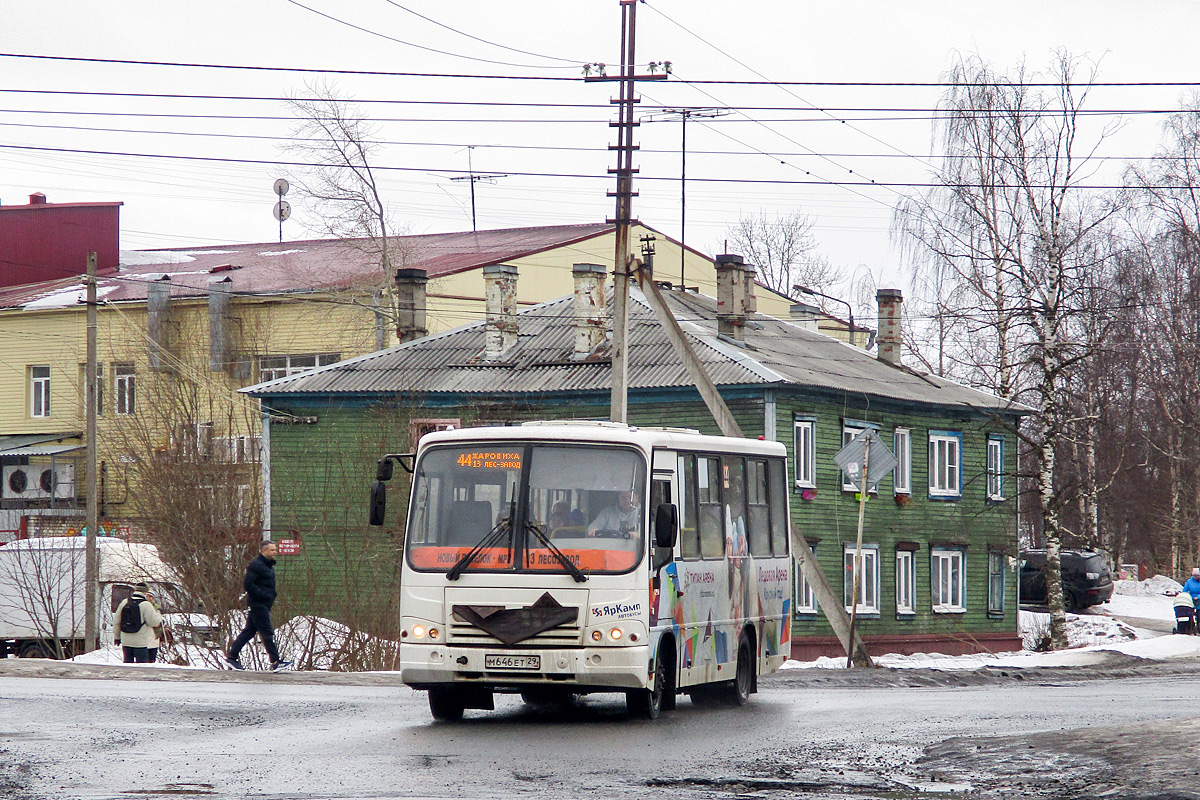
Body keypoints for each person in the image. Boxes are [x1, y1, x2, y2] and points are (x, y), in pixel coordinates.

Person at [226, 540, 292, 672]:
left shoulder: (267, 566)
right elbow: (248, 584)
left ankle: (232, 657)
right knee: (267, 632)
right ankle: (275, 661)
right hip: (257, 604)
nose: (275, 552)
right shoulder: (256, 565)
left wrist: (271, 596)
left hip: (263, 604)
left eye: (275, 549)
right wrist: (264, 595)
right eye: (272, 550)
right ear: (264, 551)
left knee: (249, 631)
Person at [113, 582, 164, 664]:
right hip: (140, 642)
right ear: (146, 592)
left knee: (127, 665)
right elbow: (153, 622)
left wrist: (117, 637)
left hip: (126, 640)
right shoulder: (146, 604)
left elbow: (117, 621)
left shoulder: (125, 602)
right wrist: (159, 617)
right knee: (142, 667)